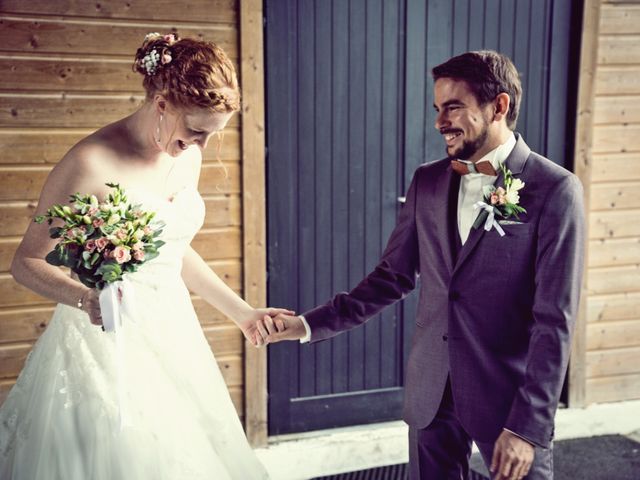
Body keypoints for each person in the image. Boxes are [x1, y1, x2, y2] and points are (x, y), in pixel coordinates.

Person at [257, 51, 585, 480]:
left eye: (453, 107)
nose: (439, 122)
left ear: (499, 106)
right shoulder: (428, 181)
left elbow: (553, 322)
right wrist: (305, 324)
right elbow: (391, 278)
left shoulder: (556, 190)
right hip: (432, 390)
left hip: (508, 398)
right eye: (437, 108)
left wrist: (528, 427)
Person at [0, 33, 285, 480]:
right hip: (102, 341)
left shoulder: (185, 152)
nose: (202, 147)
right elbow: (26, 263)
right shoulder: (88, 162)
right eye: (196, 131)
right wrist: (87, 299)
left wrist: (242, 313)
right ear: (163, 104)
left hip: (173, 330)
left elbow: (171, 251)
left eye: (213, 135)